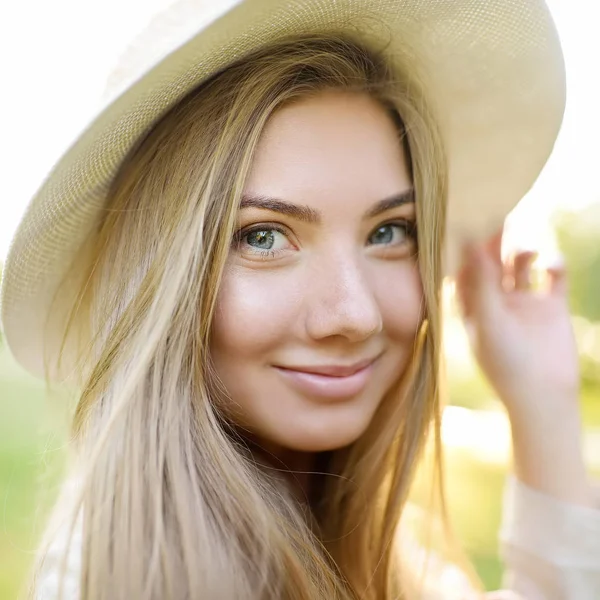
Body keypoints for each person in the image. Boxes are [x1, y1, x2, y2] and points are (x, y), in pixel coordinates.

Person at [1, 1, 599, 599]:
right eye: (263, 237)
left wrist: (541, 399)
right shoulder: (121, 582)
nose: (354, 314)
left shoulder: (374, 557)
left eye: (388, 231)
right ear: (162, 277)